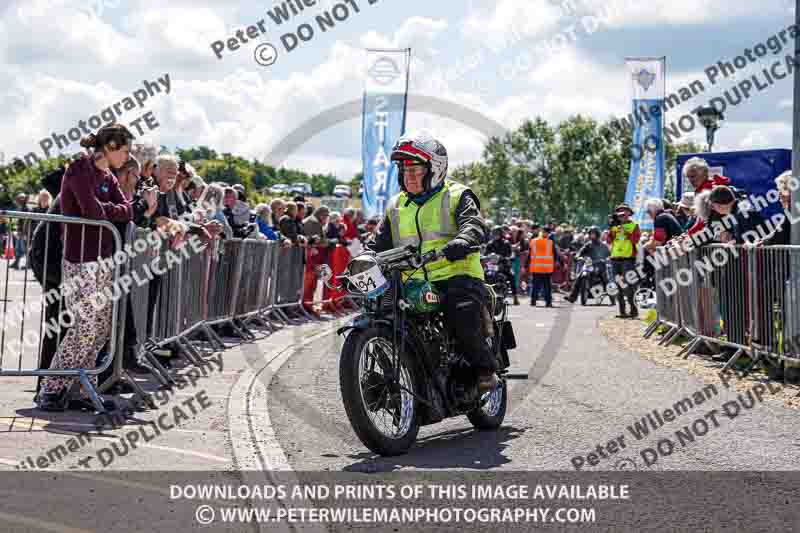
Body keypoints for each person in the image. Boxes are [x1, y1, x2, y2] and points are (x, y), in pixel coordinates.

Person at [368, 132, 496, 392]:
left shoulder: (458, 195)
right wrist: (362, 260)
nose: (409, 175)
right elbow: (376, 244)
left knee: (459, 309)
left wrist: (463, 240)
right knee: (379, 310)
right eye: (405, 170)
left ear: (435, 169)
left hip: (456, 275)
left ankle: (485, 370)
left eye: (415, 169)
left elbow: (474, 224)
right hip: (412, 281)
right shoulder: (396, 205)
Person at [37, 124, 138, 412]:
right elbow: (91, 211)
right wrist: (110, 209)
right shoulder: (80, 168)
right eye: (125, 150)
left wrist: (107, 209)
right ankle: (52, 389)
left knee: (102, 327)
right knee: (84, 326)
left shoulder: (108, 175)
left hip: (104, 259)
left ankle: (81, 388)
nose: (127, 156)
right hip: (80, 259)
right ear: (111, 148)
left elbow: (127, 209)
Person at [607, 203, 641, 319]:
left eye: (624, 212)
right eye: (619, 213)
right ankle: (622, 311)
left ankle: (633, 309)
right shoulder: (614, 226)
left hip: (628, 259)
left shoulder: (634, 225)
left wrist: (625, 232)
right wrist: (611, 229)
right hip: (615, 258)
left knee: (628, 285)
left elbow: (636, 240)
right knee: (618, 285)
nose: (621, 215)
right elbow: (609, 240)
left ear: (629, 214)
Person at [683, 157, 731, 235]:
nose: (690, 180)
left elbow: (703, 221)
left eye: (693, 176)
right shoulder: (705, 187)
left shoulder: (708, 189)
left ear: (704, 174)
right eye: (688, 177)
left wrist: (689, 235)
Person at [565, 226, 610, 303]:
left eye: (594, 234)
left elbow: (609, 254)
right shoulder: (588, 244)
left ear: (597, 234)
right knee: (579, 276)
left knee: (605, 278)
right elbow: (580, 252)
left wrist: (607, 259)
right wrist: (578, 256)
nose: (592, 235)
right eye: (591, 234)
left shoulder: (603, 246)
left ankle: (610, 293)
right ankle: (572, 297)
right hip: (589, 265)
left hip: (600, 265)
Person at [302, 205, 331, 315]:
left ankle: (308, 305)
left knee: (312, 283)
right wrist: (327, 242)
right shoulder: (313, 222)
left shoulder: (314, 221)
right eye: (326, 216)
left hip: (313, 257)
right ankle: (306, 305)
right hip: (310, 257)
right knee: (308, 283)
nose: (326, 219)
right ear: (321, 215)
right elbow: (316, 240)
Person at [486, 226, 519, 305]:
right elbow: (485, 254)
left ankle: (515, 297)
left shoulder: (506, 243)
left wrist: (507, 258)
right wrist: (485, 257)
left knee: (512, 276)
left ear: (501, 234)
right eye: (494, 234)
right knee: (484, 275)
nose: (495, 235)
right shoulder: (490, 244)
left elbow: (511, 254)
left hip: (504, 265)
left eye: (497, 234)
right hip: (492, 266)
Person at [527, 225, 556, 307]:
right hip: (547, 268)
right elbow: (555, 254)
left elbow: (529, 254)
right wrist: (559, 263)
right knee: (547, 286)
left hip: (536, 268)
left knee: (536, 285)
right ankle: (548, 302)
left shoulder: (533, 241)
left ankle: (533, 301)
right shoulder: (550, 242)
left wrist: (525, 265)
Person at [10, 193, 30, 269]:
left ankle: (29, 263)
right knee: (18, 248)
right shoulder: (21, 207)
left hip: (23, 232)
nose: (19, 200)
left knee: (24, 248)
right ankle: (16, 262)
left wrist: (23, 232)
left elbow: (25, 222)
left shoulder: (26, 208)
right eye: (19, 198)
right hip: (20, 231)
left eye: (21, 198)